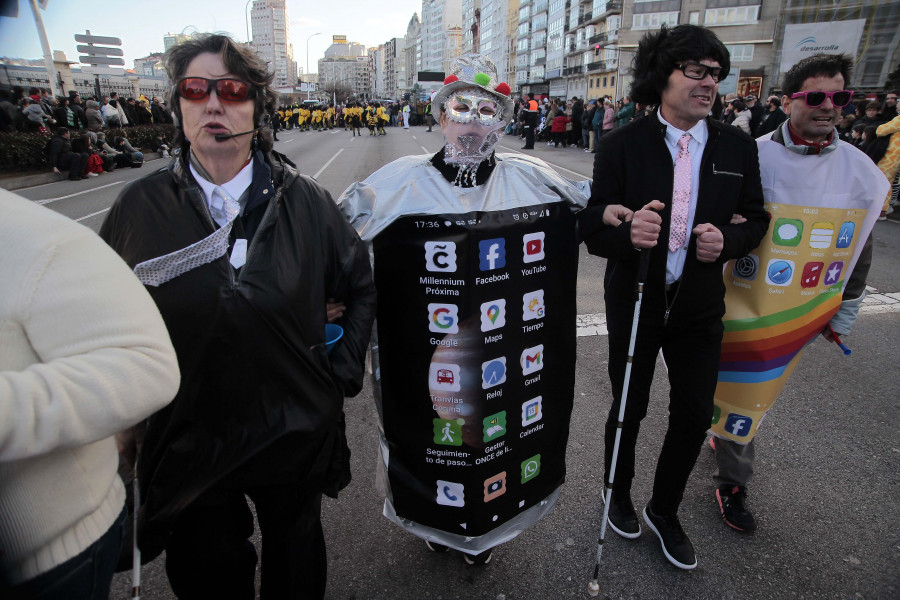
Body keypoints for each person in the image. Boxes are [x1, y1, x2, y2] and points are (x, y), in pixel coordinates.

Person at [98, 33, 376, 599]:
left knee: (295, 565)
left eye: (233, 90)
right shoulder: (139, 208)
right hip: (192, 433)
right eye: (196, 90)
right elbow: (107, 318)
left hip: (292, 425)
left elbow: (361, 286)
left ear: (257, 106)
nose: (214, 104)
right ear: (178, 105)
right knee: (207, 571)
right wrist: (122, 428)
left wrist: (340, 372)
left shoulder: (306, 202)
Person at [339, 53, 591, 567]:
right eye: (461, 107)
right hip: (425, 352)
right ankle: (434, 519)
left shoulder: (531, 178)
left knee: (496, 432)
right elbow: (336, 236)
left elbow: (594, 205)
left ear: (502, 120)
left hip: (505, 349)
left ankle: (491, 527)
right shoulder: (399, 181)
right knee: (434, 429)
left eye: (486, 110)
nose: (472, 120)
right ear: (440, 115)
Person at [577, 24, 769, 570]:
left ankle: (665, 509)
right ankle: (617, 491)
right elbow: (594, 223)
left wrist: (727, 240)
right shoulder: (622, 144)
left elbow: (755, 218)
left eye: (716, 73)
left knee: (692, 414)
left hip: (700, 304)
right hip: (636, 298)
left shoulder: (736, 146)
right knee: (630, 407)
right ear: (663, 76)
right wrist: (624, 233)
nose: (709, 83)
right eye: (697, 71)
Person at [710, 53, 889, 533]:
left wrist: (848, 305)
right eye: (816, 96)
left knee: (753, 393)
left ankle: (732, 480)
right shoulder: (753, 155)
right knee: (720, 389)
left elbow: (860, 244)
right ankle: (724, 447)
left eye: (839, 96)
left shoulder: (860, 171)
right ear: (790, 101)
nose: (828, 106)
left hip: (796, 311)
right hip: (731, 301)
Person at [0, 187, 180, 600]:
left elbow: (145, 363)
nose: (213, 116)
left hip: (47, 555)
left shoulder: (35, 238)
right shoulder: (140, 201)